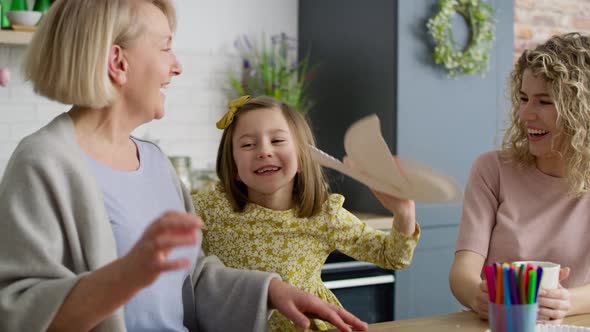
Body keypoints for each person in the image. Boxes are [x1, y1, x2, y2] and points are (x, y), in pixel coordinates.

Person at [0, 1, 369, 332]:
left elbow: (190, 277)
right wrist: (128, 274)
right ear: (118, 62)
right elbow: (17, 312)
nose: (177, 66)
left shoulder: (156, 163)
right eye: (165, 47)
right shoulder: (43, 162)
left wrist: (272, 290)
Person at [192, 95, 421, 331]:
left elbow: (393, 256)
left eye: (278, 140)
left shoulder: (325, 215)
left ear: (303, 158)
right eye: (248, 144)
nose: (264, 151)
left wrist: (403, 212)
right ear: (233, 168)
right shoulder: (207, 209)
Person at [449, 32, 590, 324]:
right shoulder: (492, 169)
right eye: (524, 98)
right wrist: (478, 295)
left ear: (582, 111)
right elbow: (462, 272)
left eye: (544, 102)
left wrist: (566, 302)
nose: (525, 114)